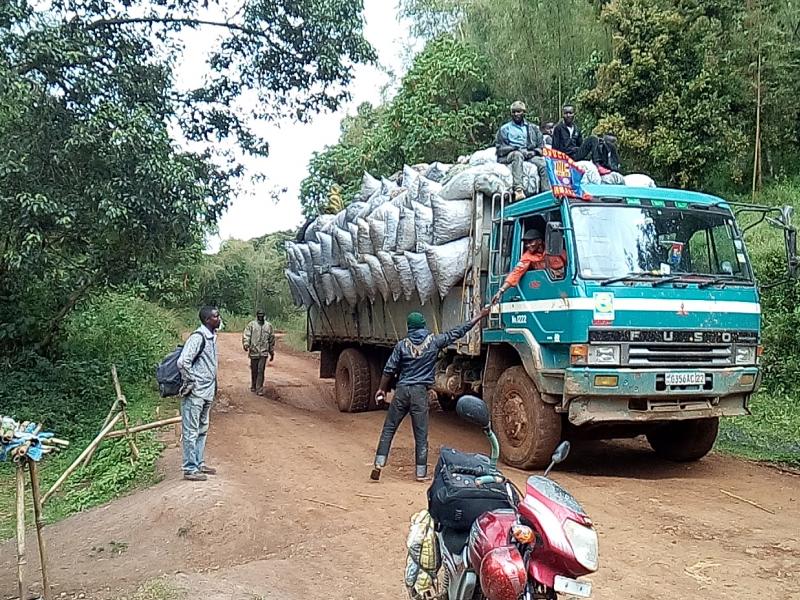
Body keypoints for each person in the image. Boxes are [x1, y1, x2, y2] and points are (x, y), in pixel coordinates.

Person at [371, 307, 491, 483]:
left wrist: (381, 389)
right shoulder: (434, 341)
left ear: (409, 326)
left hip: (402, 391)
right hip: (420, 393)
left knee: (389, 428)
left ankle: (378, 464)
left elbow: (389, 369)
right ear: (423, 325)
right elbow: (457, 332)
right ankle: (420, 474)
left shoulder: (401, 345)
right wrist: (479, 316)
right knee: (421, 434)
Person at [178, 306, 220, 482]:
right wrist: (192, 381)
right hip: (196, 393)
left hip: (207, 392)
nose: (219, 319)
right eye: (216, 317)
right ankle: (189, 468)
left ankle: (199, 463)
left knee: (202, 429)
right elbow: (183, 362)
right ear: (207, 320)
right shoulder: (198, 338)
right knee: (191, 431)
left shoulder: (211, 338)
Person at [495, 101, 551, 201]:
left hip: (529, 154)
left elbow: (541, 146)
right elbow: (499, 149)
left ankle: (546, 193)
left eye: (519, 112)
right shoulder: (505, 129)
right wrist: (515, 148)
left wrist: (533, 152)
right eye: (514, 112)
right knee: (517, 155)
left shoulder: (533, 128)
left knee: (543, 163)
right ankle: (518, 190)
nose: (516, 114)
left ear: (524, 113)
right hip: (511, 153)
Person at [491, 230, 566, 304]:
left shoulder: (556, 249)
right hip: (545, 290)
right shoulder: (527, 256)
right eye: (526, 243)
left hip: (562, 286)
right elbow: (516, 273)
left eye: (530, 242)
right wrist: (501, 291)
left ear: (539, 241)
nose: (528, 245)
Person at [242, 309, 275, 395]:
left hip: (264, 352)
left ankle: (259, 388)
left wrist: (271, 352)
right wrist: (246, 344)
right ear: (257, 315)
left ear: (264, 315)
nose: (261, 316)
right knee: (254, 369)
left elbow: (271, 339)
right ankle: (253, 385)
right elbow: (247, 335)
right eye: (259, 314)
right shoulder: (251, 325)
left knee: (261, 370)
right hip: (254, 351)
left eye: (262, 314)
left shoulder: (268, 326)